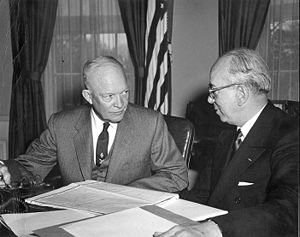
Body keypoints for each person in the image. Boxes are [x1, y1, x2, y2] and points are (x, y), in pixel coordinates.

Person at [154, 48, 298, 237]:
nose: (209, 99)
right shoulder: (226, 135)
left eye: (214, 91)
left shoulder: (290, 134)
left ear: (241, 93)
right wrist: (156, 206)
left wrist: (212, 229)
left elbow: (289, 209)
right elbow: (203, 195)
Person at [0, 56, 188, 193]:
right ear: (88, 96)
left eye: (124, 93)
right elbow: (29, 166)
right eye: (109, 96)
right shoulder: (62, 125)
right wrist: (6, 170)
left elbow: (177, 176)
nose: (120, 104)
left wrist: (127, 192)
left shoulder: (150, 123)